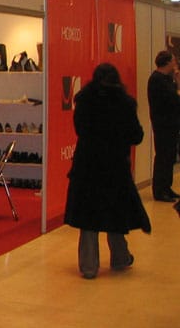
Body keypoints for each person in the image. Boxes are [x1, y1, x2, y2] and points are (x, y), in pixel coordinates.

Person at [64, 62, 150, 279]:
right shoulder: (125, 103)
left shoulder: (84, 100)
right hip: (115, 167)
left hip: (88, 166)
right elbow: (136, 136)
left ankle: (89, 266)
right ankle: (120, 257)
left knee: (88, 218)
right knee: (115, 214)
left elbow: (80, 129)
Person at [147, 50, 180, 202]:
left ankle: (167, 186)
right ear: (167, 62)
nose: (175, 62)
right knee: (163, 156)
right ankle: (159, 190)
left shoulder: (168, 79)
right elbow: (173, 100)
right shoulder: (156, 80)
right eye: (173, 60)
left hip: (171, 124)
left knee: (170, 156)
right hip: (163, 124)